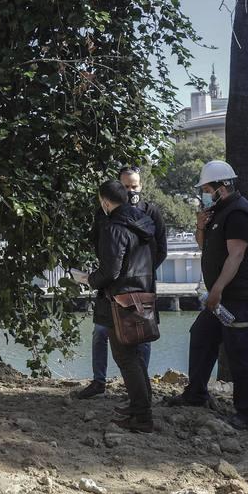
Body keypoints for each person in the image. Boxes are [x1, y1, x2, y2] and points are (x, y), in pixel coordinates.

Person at [169, 160, 248, 429]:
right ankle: (196, 394)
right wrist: (200, 226)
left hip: (239, 296)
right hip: (222, 297)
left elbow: (236, 256)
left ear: (221, 187)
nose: (203, 193)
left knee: (242, 352)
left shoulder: (238, 213)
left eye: (206, 188)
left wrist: (217, 289)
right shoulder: (218, 211)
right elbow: (205, 248)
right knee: (201, 336)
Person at [74, 166, 166, 399]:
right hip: (117, 288)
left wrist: (134, 273)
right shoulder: (104, 216)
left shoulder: (150, 213)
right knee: (102, 333)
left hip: (130, 286)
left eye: (134, 186)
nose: (131, 190)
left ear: (141, 186)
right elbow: (99, 244)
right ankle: (102, 382)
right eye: (126, 187)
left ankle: (138, 395)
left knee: (137, 341)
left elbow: (160, 251)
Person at [86, 179, 158, 432]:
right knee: (136, 356)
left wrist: (89, 279)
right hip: (143, 294)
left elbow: (110, 271)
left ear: (105, 201)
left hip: (121, 300)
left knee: (125, 358)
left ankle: (142, 416)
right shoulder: (144, 224)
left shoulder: (113, 227)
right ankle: (142, 406)